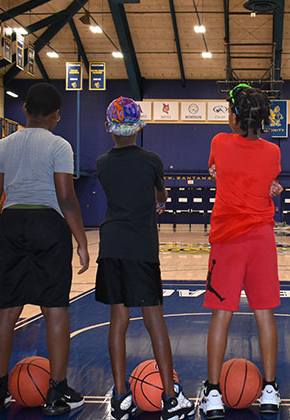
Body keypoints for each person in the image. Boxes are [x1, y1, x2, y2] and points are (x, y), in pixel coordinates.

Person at [0, 82, 90, 416]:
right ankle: (56, 391)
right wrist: (81, 241)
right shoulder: (59, 145)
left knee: (7, 307)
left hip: (11, 224)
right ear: (56, 115)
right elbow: (66, 198)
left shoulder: (2, 146)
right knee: (54, 308)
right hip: (48, 225)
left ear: (25, 110)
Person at [97, 96, 194, 420]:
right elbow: (160, 194)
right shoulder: (152, 160)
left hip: (111, 244)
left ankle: (121, 398)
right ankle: (170, 398)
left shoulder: (101, 163)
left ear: (110, 129)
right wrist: (159, 200)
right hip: (141, 247)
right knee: (154, 319)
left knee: (118, 320)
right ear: (139, 127)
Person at [199, 84, 284, 419]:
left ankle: (214, 393)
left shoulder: (219, 142)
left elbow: (216, 170)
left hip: (227, 241)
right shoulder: (274, 152)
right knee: (265, 314)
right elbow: (267, 185)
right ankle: (271, 389)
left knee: (221, 314)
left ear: (234, 115)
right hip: (262, 240)